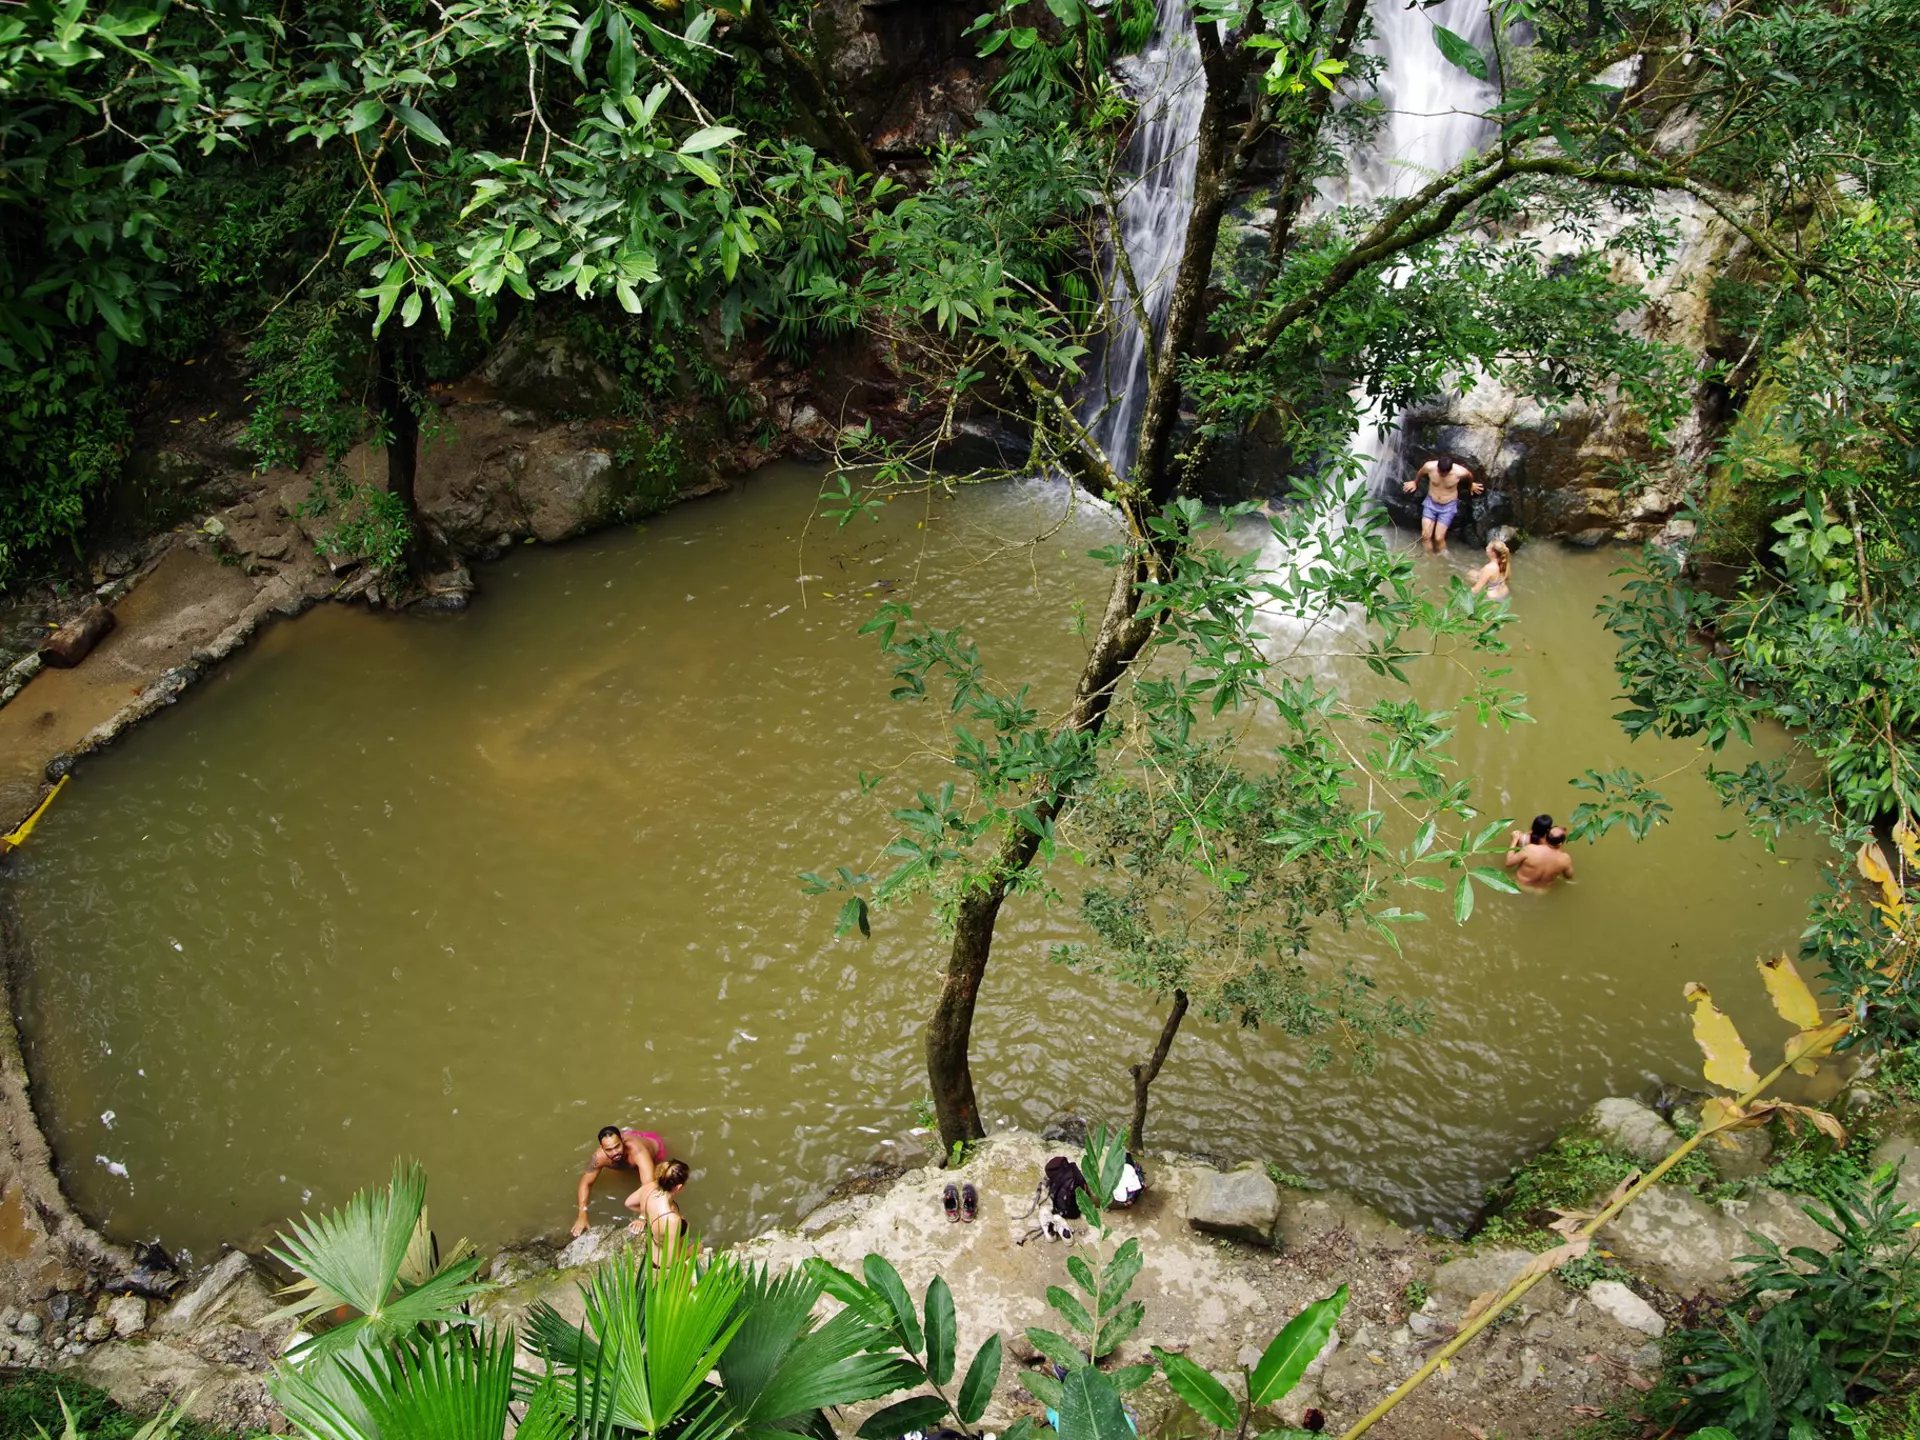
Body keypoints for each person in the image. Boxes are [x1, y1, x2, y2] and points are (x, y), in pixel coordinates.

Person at [572, 1125, 666, 1237]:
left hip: (653, 1147)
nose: (615, 1152)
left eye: (617, 1147)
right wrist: (582, 1214)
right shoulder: (599, 1157)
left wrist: (642, 1217)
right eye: (609, 1149)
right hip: (631, 1142)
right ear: (602, 1148)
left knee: (656, 1180)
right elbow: (586, 1183)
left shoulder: (638, 1152)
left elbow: (648, 1187)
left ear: (622, 1141)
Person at [1402, 454, 1484, 553]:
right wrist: (1415, 482)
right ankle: (1431, 560)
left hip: (1448, 507)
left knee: (1439, 538)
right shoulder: (1429, 467)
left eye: (1445, 473)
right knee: (1425, 536)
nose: (1442, 475)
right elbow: (1421, 472)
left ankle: (1443, 559)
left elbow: (1469, 476)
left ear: (1450, 470)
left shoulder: (1460, 472)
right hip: (1430, 504)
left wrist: (1471, 485)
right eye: (1440, 472)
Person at [628, 1158, 691, 1259]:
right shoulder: (671, 1220)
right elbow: (672, 1261)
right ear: (679, 1187)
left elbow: (629, 1203)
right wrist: (694, 1250)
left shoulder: (648, 1187)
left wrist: (644, 1216)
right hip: (660, 1260)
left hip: (654, 1246)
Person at [1504, 815, 1574, 889]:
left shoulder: (1530, 850)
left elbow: (1509, 862)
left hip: (1520, 886)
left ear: (1546, 836)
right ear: (1560, 843)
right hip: (1542, 891)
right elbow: (1569, 876)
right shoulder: (1565, 859)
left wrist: (1514, 840)